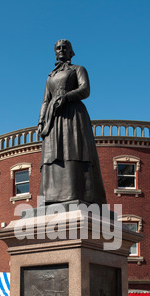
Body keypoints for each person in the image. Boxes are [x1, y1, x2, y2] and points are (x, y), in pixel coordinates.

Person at [38, 39, 107, 206]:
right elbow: (46, 100)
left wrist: (67, 97)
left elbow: (85, 90)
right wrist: (41, 121)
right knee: (53, 155)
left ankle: (76, 193)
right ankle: (50, 197)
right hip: (53, 117)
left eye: (65, 48)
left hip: (73, 114)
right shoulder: (50, 76)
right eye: (58, 48)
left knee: (73, 150)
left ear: (71, 52)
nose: (61, 50)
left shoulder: (78, 69)